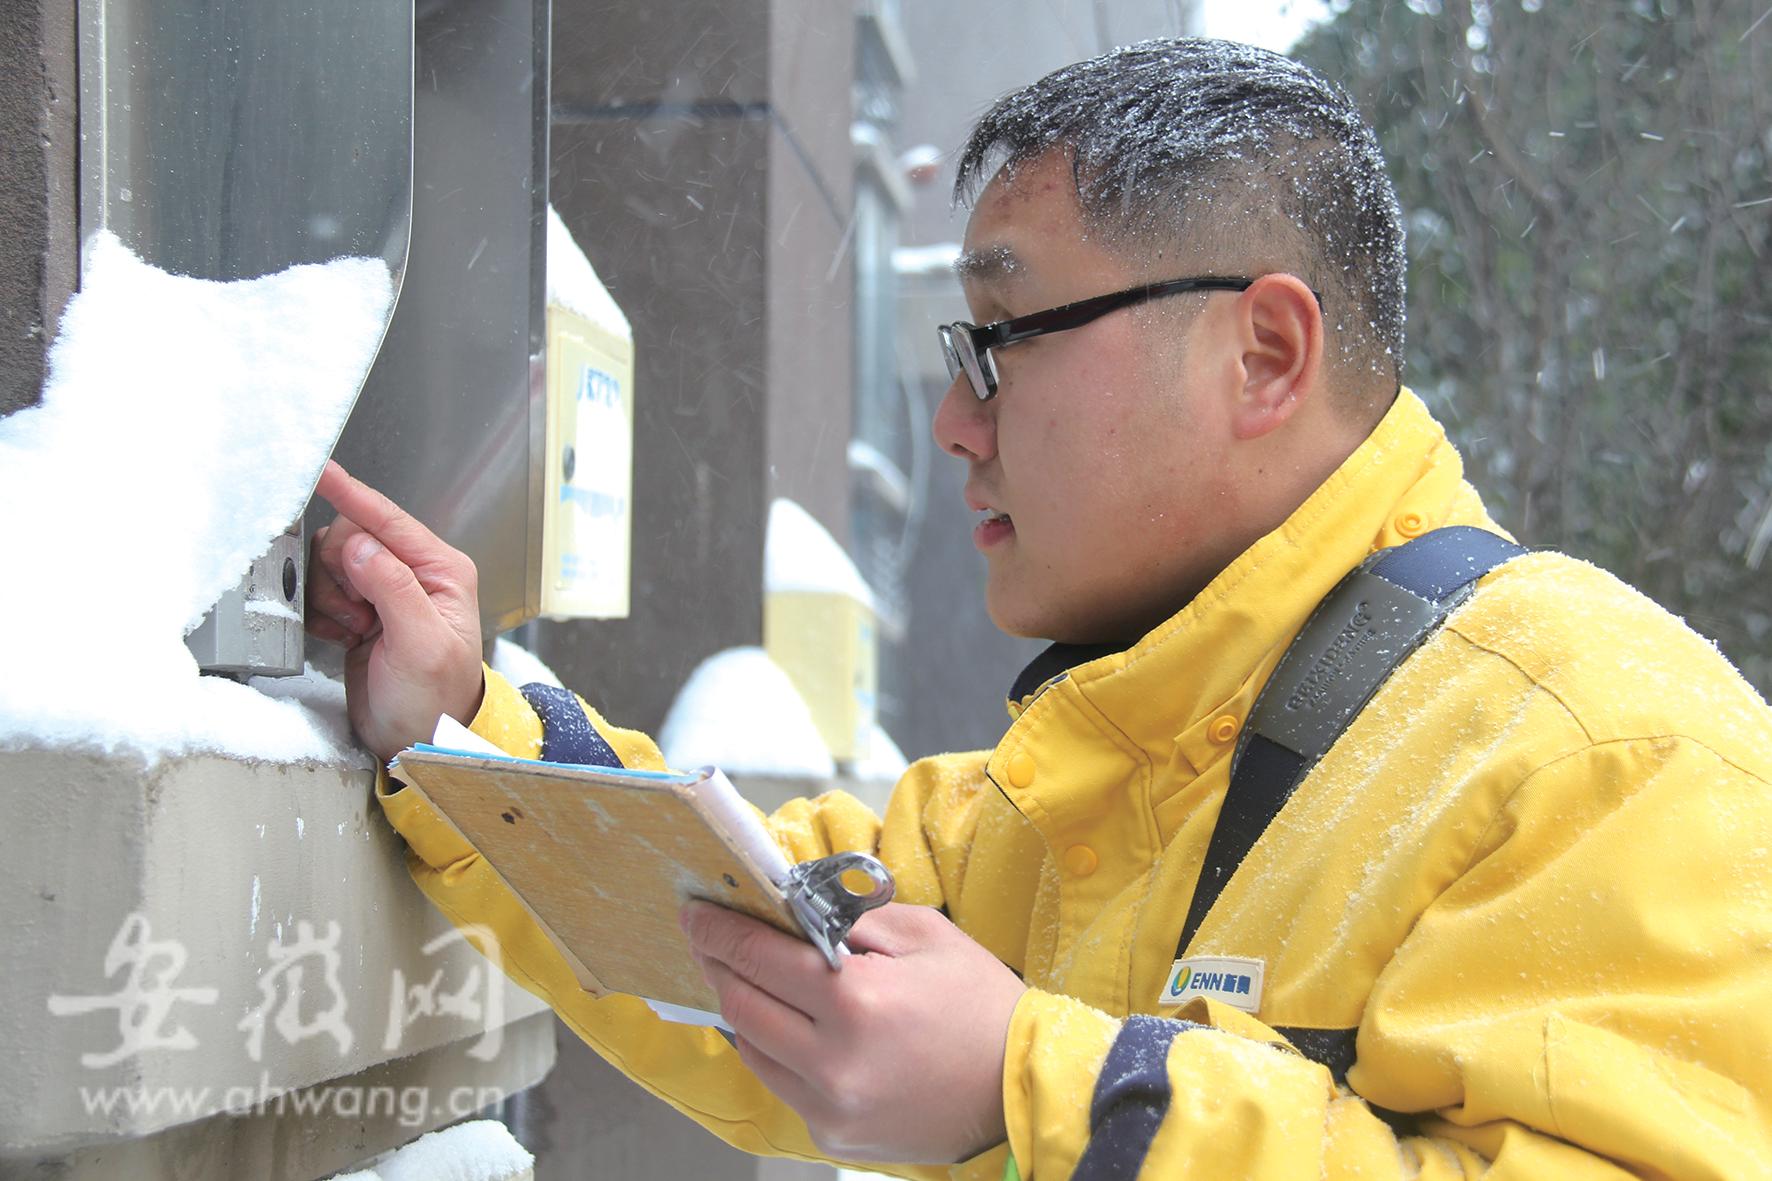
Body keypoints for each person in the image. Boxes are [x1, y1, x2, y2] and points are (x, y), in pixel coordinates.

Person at [307, 39, 1772, 1181]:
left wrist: (1045, 1086)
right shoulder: (1093, 775)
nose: (952, 419)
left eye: (1001, 339)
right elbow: (732, 927)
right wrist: (463, 723)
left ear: (1264, 351)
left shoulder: (1607, 749)